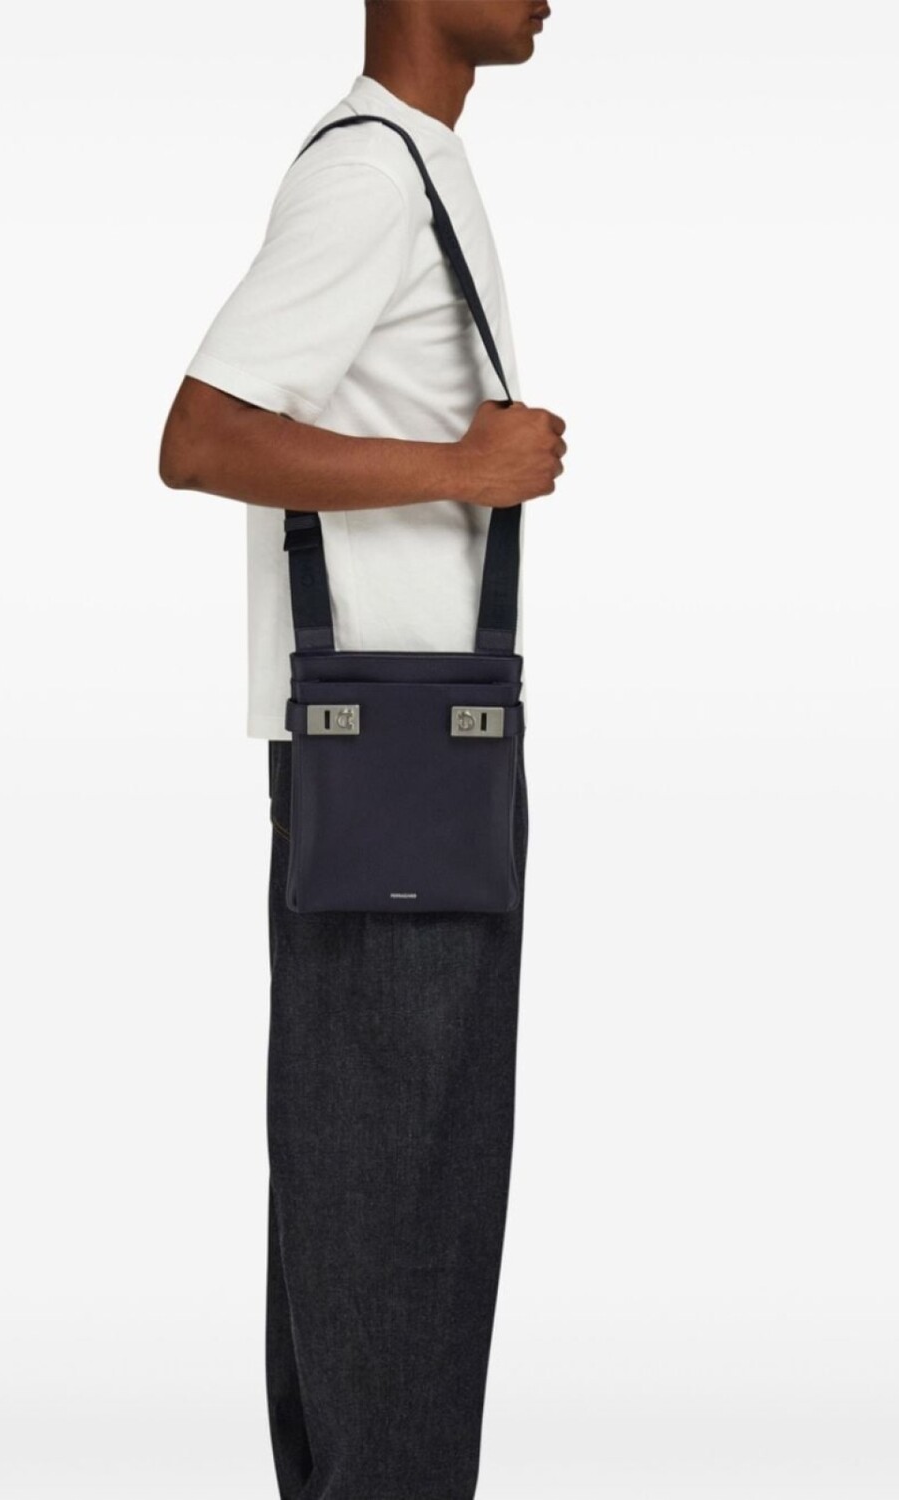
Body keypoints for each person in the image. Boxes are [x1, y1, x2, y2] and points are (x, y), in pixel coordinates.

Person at [159, 3, 565, 1495]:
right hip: (394, 754)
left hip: (420, 741)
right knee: (397, 1196)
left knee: (387, 1202)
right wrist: (463, 467)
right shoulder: (370, 174)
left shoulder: (419, 163)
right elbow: (201, 436)